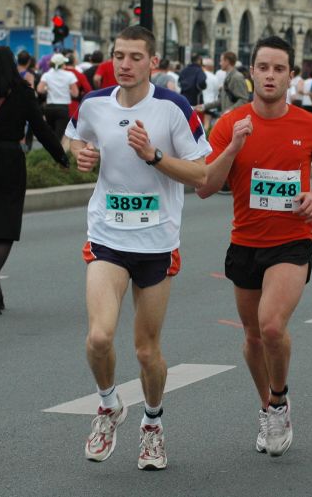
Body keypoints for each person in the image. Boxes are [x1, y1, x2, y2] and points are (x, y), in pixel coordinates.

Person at [68, 25, 210, 471]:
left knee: (147, 351)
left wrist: (153, 156)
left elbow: (201, 174)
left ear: (154, 62)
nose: (124, 64)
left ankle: (152, 424)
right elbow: (75, 136)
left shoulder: (173, 108)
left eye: (134, 56)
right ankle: (109, 405)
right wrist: (80, 154)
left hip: (156, 243)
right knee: (98, 337)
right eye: (118, 55)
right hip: (108, 236)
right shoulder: (94, 103)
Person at [196, 36, 312, 457]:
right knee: (252, 335)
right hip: (245, 242)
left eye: (279, 69)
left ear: (291, 76)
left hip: (292, 241)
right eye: (263, 67)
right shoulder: (230, 124)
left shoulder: (310, 125)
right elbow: (206, 187)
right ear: (251, 72)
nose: (270, 75)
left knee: (272, 325)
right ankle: (267, 406)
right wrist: (233, 147)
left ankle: (279, 400)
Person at [0, 46, 68, 314]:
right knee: (6, 226)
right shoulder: (22, 93)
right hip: (9, 161)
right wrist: (61, 157)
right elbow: (40, 129)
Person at [37, 53, 79, 144]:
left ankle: (48, 155)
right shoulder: (69, 75)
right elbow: (75, 93)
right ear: (63, 64)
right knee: (58, 137)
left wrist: (47, 89)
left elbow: (39, 89)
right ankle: (56, 156)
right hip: (63, 109)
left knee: (51, 134)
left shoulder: (47, 74)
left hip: (49, 108)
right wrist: (68, 91)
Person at [198, 51, 249, 117]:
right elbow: (221, 100)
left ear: (227, 61)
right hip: (228, 118)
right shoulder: (228, 76)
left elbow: (244, 100)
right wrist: (204, 106)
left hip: (234, 119)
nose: (220, 63)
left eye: (221, 61)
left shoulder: (237, 77)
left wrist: (229, 110)